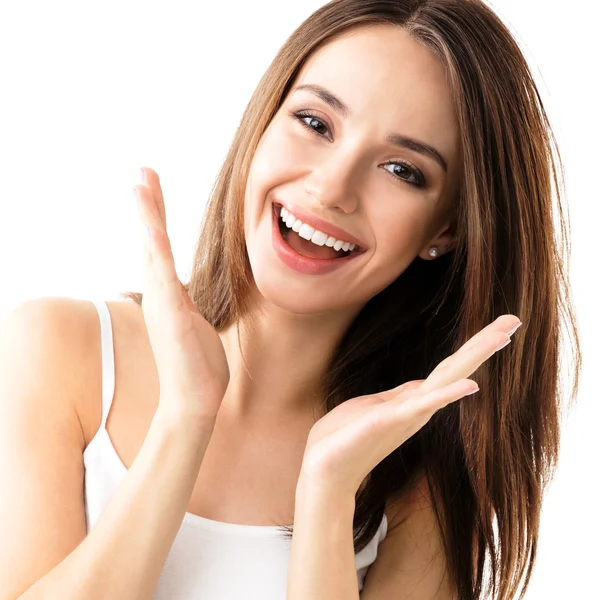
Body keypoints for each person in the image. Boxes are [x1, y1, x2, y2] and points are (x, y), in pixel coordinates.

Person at [0, 0, 581, 599]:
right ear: (265, 120)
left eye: (402, 170)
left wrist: (328, 494)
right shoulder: (60, 350)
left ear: (446, 231)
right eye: (316, 123)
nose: (331, 187)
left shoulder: (416, 479)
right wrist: (185, 420)